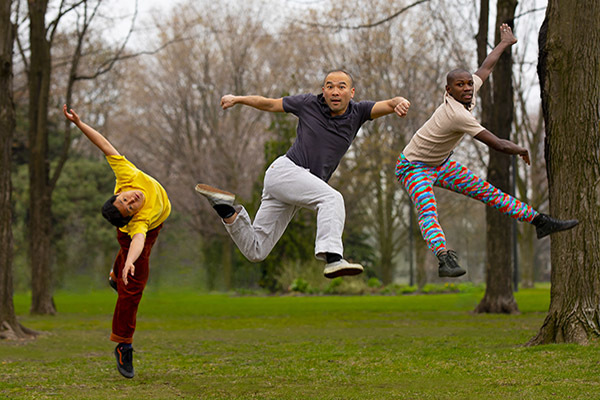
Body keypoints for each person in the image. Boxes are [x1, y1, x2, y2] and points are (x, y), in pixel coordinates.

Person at [394, 24, 578, 278]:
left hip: (441, 164)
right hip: (413, 166)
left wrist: (505, 42)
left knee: (488, 192)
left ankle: (539, 221)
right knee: (428, 209)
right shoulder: (457, 114)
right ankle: (444, 258)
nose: (468, 88)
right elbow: (498, 144)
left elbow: (486, 67)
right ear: (449, 91)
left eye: (469, 84)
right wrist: (520, 148)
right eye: (461, 85)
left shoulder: (467, 94)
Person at [195, 70, 411, 278]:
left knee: (256, 250)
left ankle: (224, 208)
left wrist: (400, 102)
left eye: (341, 87)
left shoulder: (359, 112)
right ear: (323, 91)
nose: (335, 91)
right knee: (332, 198)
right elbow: (269, 103)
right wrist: (238, 98)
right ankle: (334, 258)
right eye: (330, 87)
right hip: (286, 172)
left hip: (293, 186)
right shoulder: (308, 103)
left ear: (351, 92)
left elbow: (391, 103)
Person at [63, 105, 171, 379]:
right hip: (140, 236)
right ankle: (123, 343)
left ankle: (115, 274)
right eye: (129, 206)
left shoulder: (126, 177)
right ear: (131, 216)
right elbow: (137, 240)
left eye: (125, 199)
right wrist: (130, 263)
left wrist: (79, 123)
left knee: (127, 270)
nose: (131, 200)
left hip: (146, 231)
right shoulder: (138, 222)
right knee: (132, 290)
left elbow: (104, 145)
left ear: (119, 194)